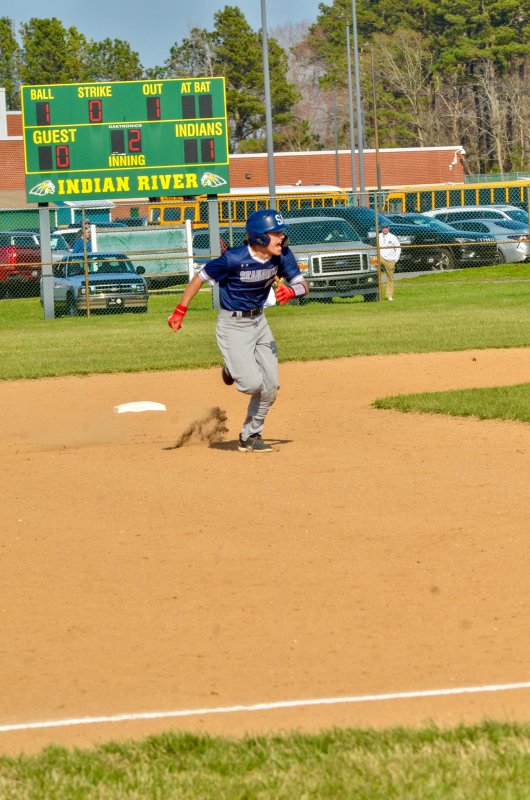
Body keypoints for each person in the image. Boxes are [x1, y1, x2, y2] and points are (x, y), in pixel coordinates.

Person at [167, 209, 309, 453]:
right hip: (233, 325)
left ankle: (250, 435)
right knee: (253, 385)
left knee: (270, 387)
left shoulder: (282, 255)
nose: (282, 238)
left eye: (281, 233)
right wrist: (180, 311)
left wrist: (292, 291)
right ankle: (231, 367)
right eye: (275, 233)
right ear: (259, 237)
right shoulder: (233, 259)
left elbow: (303, 285)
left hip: (259, 322)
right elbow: (200, 277)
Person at [378, 223, 401, 301]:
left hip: (390, 259)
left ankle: (389, 295)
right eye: (383, 228)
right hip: (380, 257)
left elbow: (398, 248)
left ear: (388, 228)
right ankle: (377, 294)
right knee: (376, 275)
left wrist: (395, 259)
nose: (385, 229)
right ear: (381, 229)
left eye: (386, 227)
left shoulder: (393, 237)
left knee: (390, 277)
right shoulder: (378, 236)